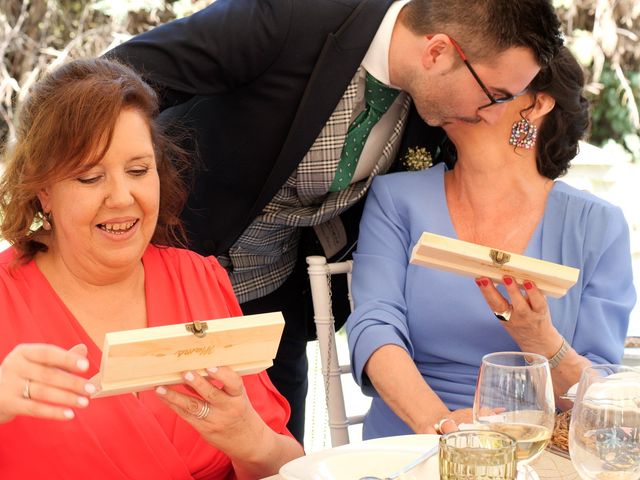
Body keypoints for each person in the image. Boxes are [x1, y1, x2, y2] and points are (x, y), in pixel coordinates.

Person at [107, 0, 565, 441]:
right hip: (151, 268)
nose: (487, 115)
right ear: (438, 51)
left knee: (277, 453)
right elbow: (118, 78)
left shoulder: (434, 112)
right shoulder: (293, 17)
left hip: (273, 298)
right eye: (494, 96)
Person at [0, 58, 303, 479]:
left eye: (138, 171)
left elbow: (290, 467)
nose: (122, 197)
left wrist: (251, 439)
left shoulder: (199, 280)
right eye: (90, 177)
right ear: (44, 191)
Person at [346, 46, 637, 440]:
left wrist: (540, 339)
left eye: (486, 77)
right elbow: (374, 328)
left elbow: (599, 395)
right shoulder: (397, 200)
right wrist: (442, 426)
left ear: (537, 105)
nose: (459, 84)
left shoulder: (598, 225)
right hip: (411, 442)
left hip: (535, 448)